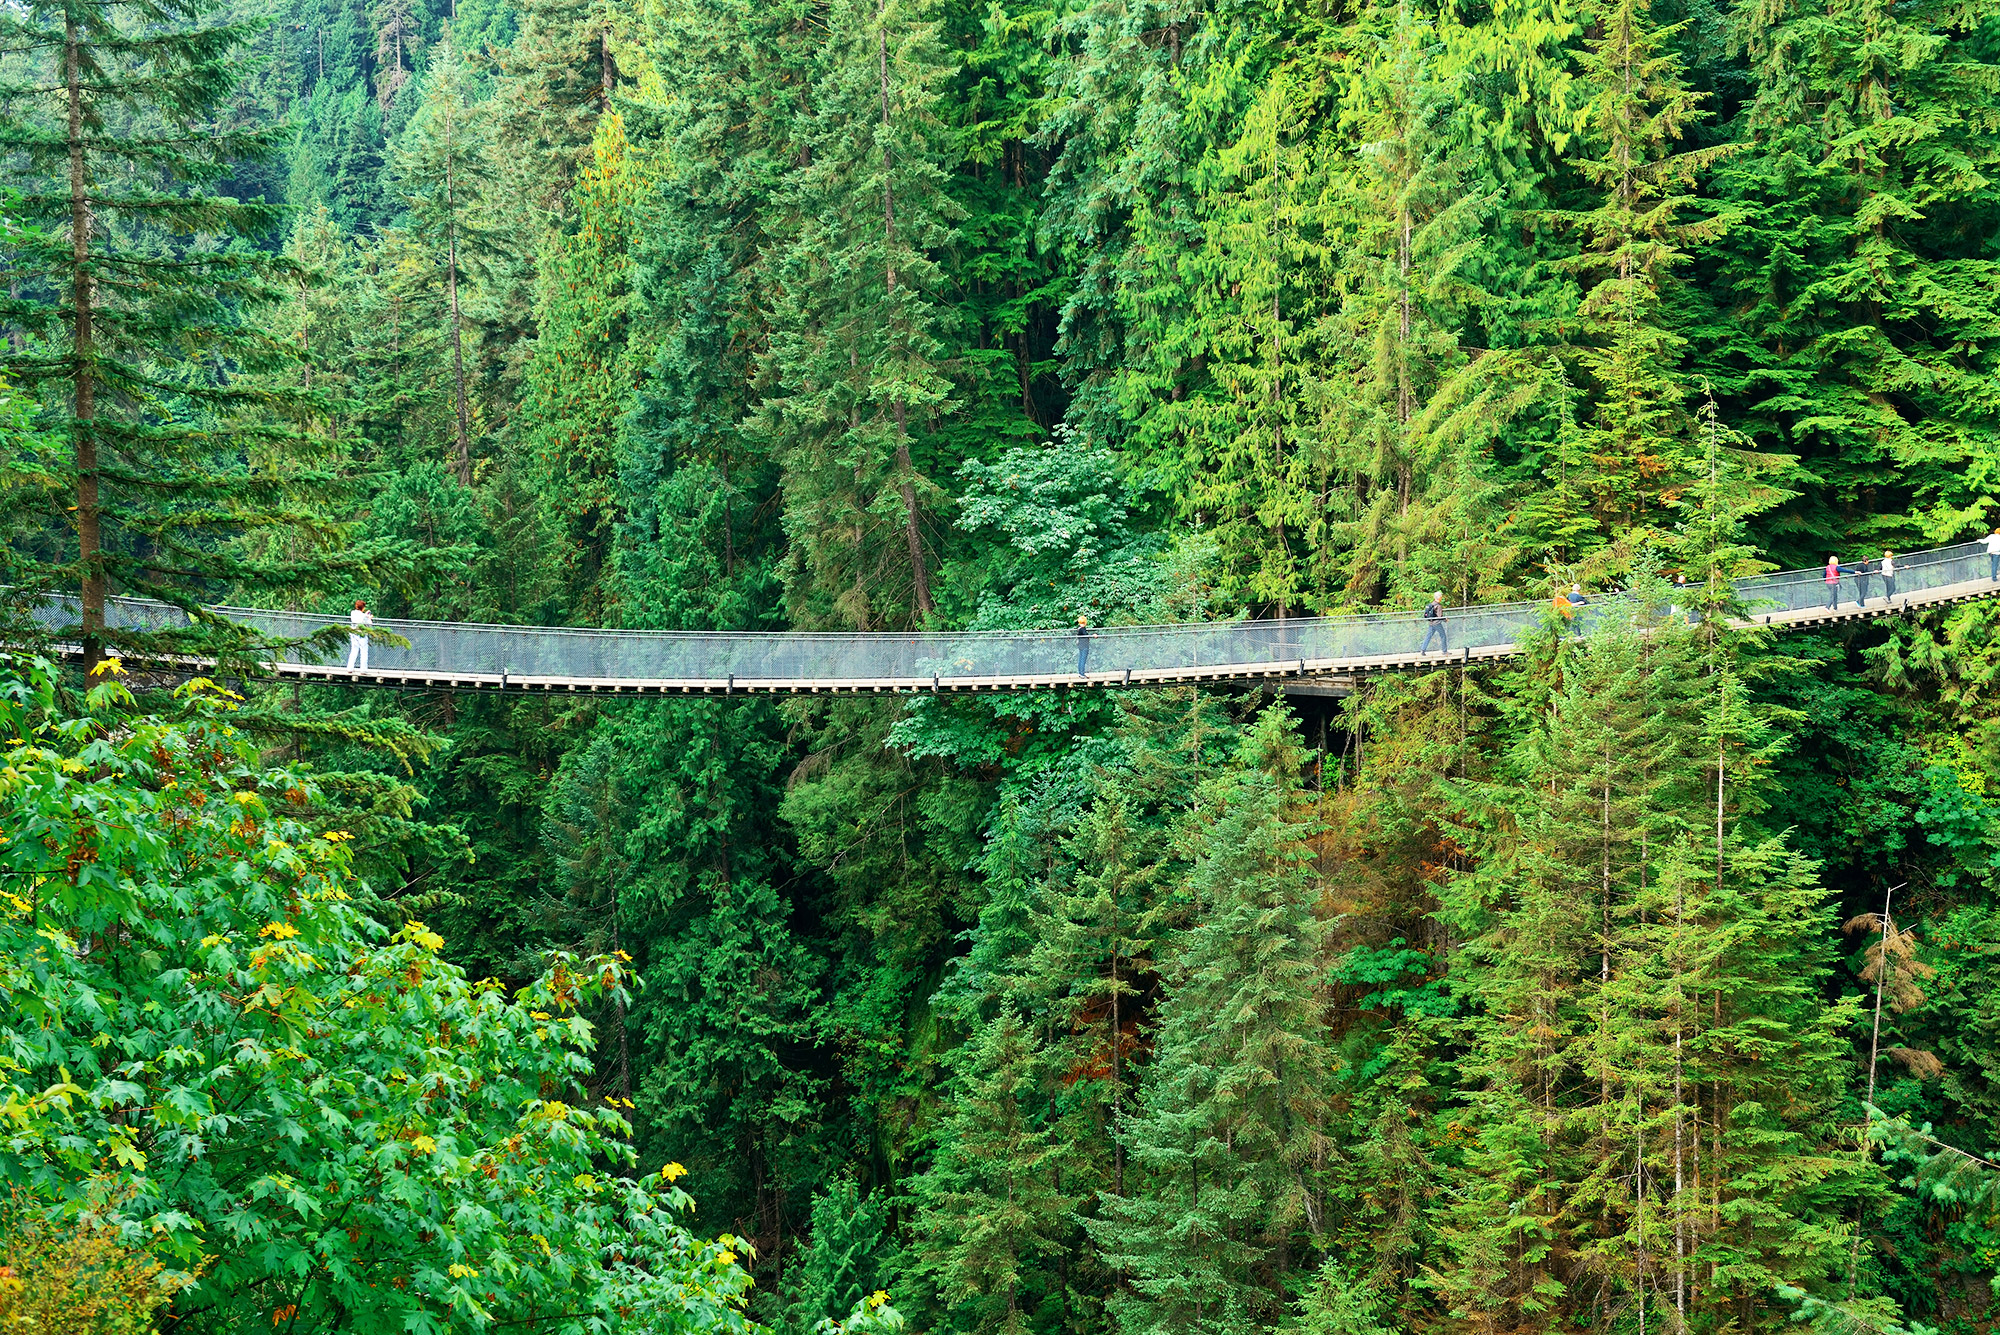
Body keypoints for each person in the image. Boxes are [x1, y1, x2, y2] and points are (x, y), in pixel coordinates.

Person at [346, 598, 372, 671]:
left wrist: (366, 615)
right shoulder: (364, 616)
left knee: (354, 650)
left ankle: (350, 668)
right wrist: (369, 617)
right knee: (364, 651)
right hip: (362, 634)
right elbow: (369, 624)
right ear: (363, 608)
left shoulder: (353, 613)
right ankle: (363, 669)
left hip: (353, 632)